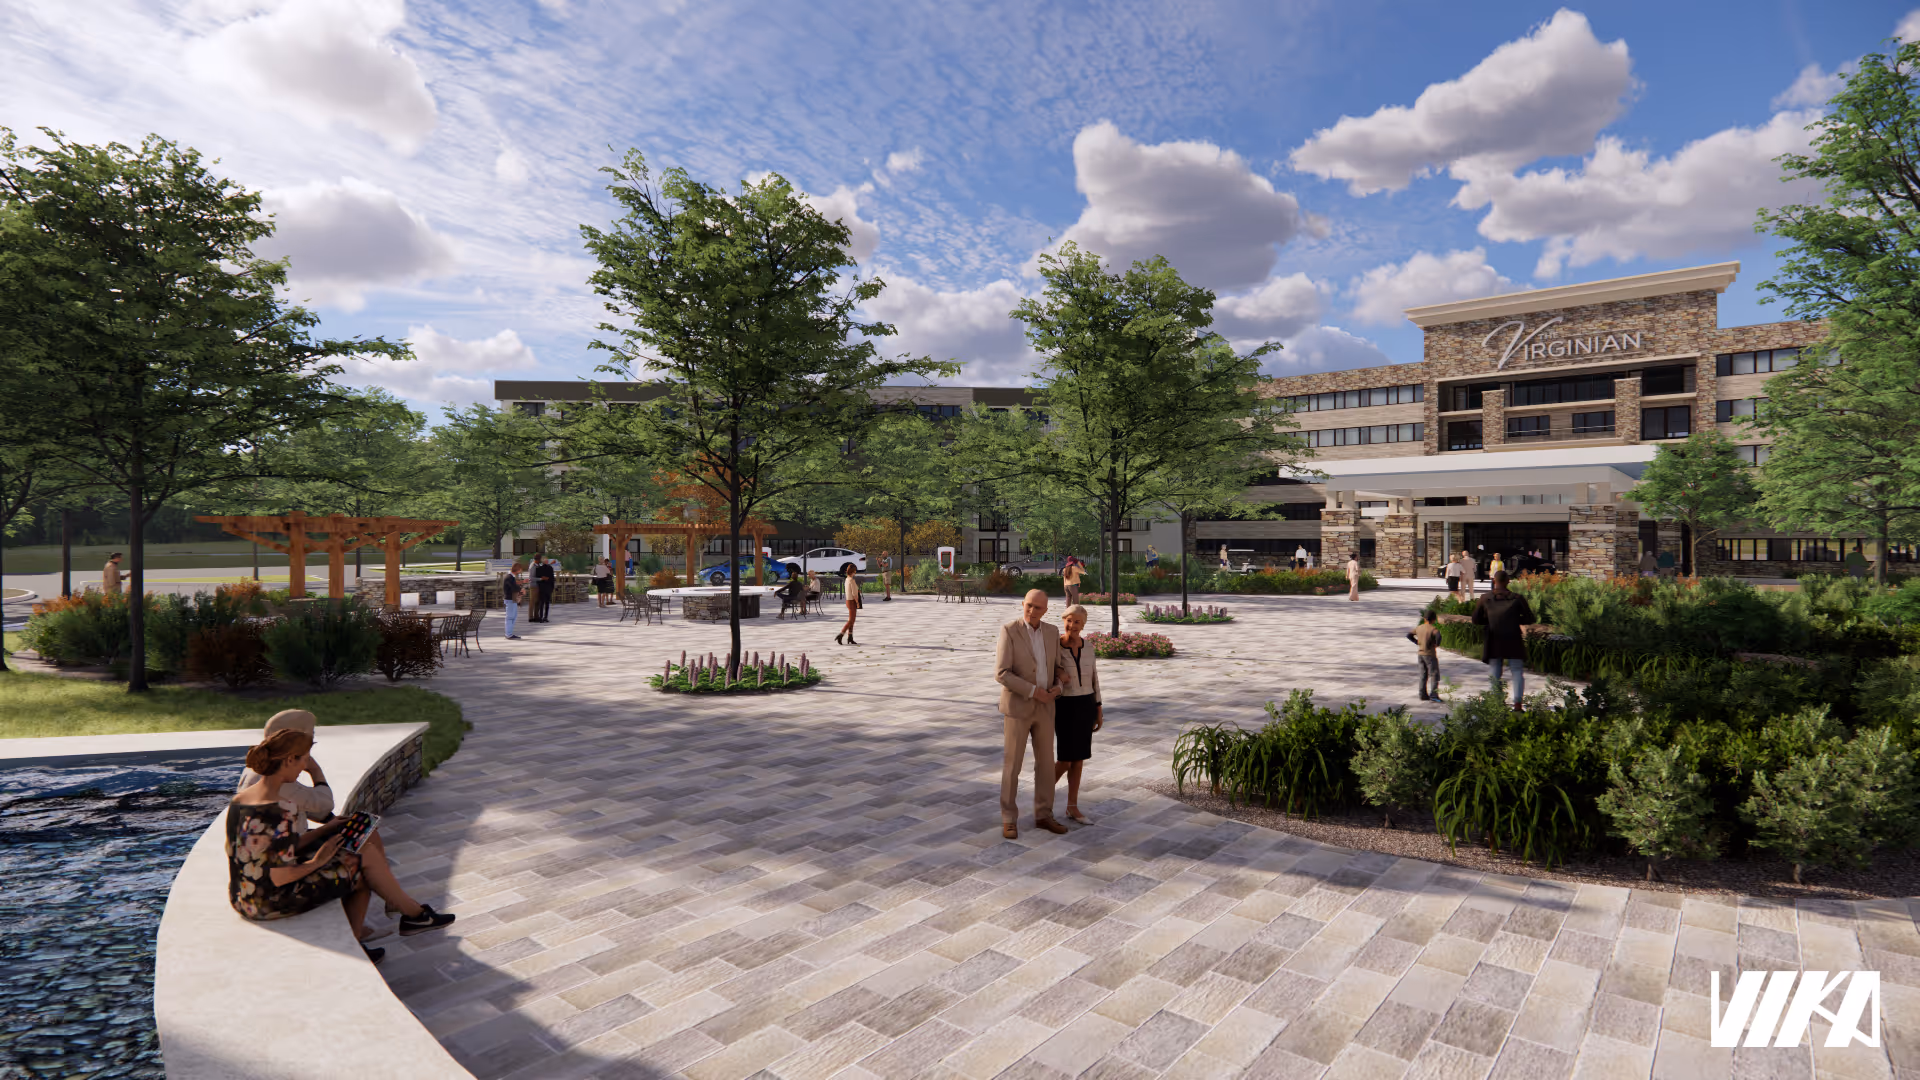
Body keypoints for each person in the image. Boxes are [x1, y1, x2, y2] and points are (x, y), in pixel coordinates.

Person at [227, 729, 454, 964]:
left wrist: (326, 829)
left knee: (360, 847)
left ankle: (410, 915)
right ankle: (403, 919)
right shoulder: (280, 809)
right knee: (362, 868)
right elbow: (280, 877)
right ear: (289, 760)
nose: (306, 766)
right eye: (304, 760)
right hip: (268, 902)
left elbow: (271, 849)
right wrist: (319, 860)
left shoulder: (241, 800)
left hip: (243, 895)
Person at [995, 589, 1065, 839]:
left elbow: (1058, 667)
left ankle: (1044, 815)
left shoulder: (1052, 631)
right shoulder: (1009, 630)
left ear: (1046, 610)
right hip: (1018, 707)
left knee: (1046, 765)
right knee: (1012, 765)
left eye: (1038, 608)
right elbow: (1002, 673)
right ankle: (1008, 818)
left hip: (1047, 707)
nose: (1032, 611)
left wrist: (1059, 686)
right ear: (1023, 604)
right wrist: (1035, 692)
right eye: (1029, 606)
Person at [1053, 604, 1102, 825]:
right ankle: (1041, 796)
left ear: (1083, 625)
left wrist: (1098, 708)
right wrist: (1058, 671)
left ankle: (1072, 807)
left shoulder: (1089, 647)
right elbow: (1043, 668)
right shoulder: (1054, 647)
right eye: (1069, 620)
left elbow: (1095, 679)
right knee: (1065, 759)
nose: (1072, 625)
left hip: (1086, 704)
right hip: (1064, 706)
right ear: (1064, 620)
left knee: (1079, 758)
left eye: (1077, 622)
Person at [1472, 570, 1535, 709]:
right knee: (1517, 670)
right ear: (1508, 582)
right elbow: (1530, 618)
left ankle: (1496, 701)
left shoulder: (1485, 598)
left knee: (1495, 670)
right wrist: (1515, 619)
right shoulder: (1517, 598)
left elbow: (1476, 620)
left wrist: (1489, 621)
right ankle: (1518, 703)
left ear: (1494, 581)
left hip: (1494, 637)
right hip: (1513, 637)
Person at [1409, 609, 1442, 701]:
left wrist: (1417, 642)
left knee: (1423, 674)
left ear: (1424, 619)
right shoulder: (1433, 629)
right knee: (1434, 674)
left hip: (1420, 654)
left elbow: (1409, 635)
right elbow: (1438, 636)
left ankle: (1422, 694)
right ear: (1434, 620)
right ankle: (1434, 695)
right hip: (1430, 655)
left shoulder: (1419, 628)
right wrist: (1436, 644)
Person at [834, 563, 861, 645]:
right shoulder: (852, 580)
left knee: (852, 620)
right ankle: (841, 634)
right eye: (855, 571)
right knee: (851, 620)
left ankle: (850, 637)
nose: (855, 572)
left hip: (848, 600)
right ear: (853, 571)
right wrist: (857, 602)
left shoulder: (847, 579)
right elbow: (854, 594)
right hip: (852, 601)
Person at [501, 562, 525, 639]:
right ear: (517, 570)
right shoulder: (509, 577)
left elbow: (514, 585)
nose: (521, 571)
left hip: (512, 599)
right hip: (510, 599)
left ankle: (509, 633)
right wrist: (521, 590)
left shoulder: (511, 577)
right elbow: (514, 587)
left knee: (513, 617)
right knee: (510, 617)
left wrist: (521, 587)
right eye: (520, 569)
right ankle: (508, 634)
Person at [530, 555, 556, 622]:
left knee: (544, 603)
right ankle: (543, 617)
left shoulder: (543, 568)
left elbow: (551, 578)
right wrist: (551, 587)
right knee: (544, 603)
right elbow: (551, 579)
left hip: (544, 588)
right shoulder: (543, 568)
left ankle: (543, 617)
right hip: (546, 588)